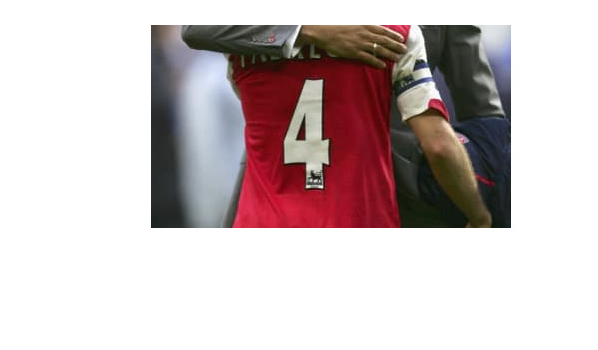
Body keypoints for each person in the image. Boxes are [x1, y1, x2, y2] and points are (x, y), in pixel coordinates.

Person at [181, 25, 510, 227]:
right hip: (364, 212)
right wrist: (480, 214)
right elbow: (439, 144)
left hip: (266, 213)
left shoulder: (243, 49)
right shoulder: (397, 33)